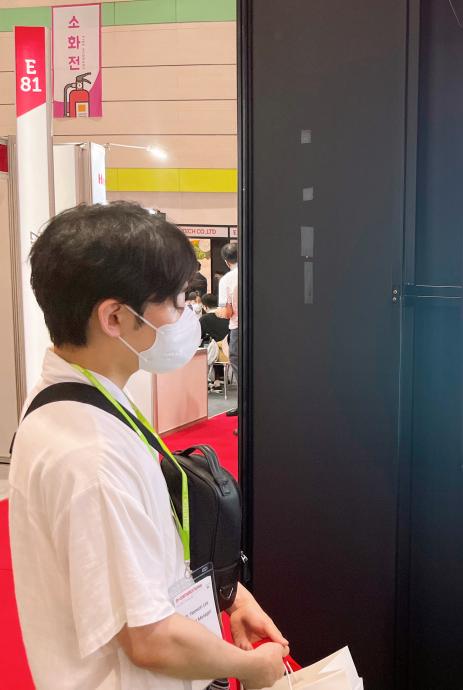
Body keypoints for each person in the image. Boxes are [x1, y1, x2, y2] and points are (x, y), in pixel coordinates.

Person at [10, 202, 288, 689]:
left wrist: (230, 596)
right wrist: (250, 667)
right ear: (115, 317)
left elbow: (145, 554)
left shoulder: (84, 399)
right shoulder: (90, 457)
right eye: (177, 303)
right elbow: (150, 638)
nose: (186, 318)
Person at [218, 243, 239, 419]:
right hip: (260, 328)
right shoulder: (254, 273)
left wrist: (218, 312)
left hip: (238, 328)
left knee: (239, 366)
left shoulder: (227, 279)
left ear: (226, 261)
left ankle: (244, 407)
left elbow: (227, 312)